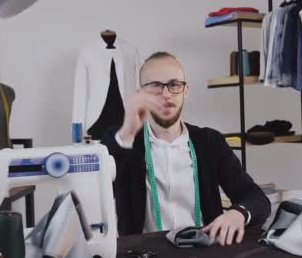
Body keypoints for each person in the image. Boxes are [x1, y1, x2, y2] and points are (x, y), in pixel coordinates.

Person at [101, 52, 270, 246]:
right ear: (141, 94)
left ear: (185, 91)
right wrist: (127, 132)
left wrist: (238, 213)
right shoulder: (121, 140)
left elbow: (257, 199)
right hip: (144, 256)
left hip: (204, 254)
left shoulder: (210, 141)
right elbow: (100, 190)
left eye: (174, 85)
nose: (166, 94)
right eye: (155, 85)